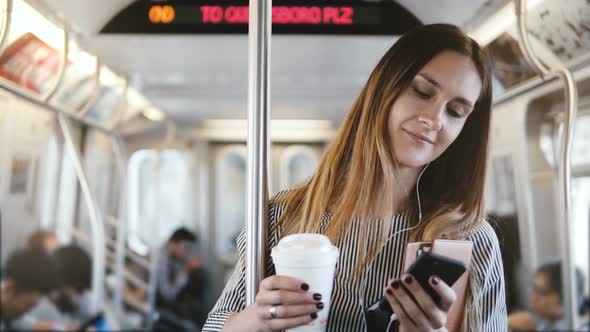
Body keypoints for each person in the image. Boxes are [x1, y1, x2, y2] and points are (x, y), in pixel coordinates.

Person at [203, 23, 507, 332]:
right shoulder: (281, 217)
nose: (434, 119)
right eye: (422, 92)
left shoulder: (470, 239)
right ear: (384, 89)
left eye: (455, 112)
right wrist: (257, 318)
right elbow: (215, 327)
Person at [508, 262, 588, 331]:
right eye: (533, 288)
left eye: (540, 291)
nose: (533, 296)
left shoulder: (580, 327)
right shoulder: (544, 321)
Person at [157, 227, 208, 328]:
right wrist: (187, 270)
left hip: (163, 305)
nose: (186, 252)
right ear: (172, 243)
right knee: (190, 327)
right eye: (185, 247)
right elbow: (168, 295)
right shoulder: (161, 259)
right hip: (158, 308)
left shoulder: (168, 256)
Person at [0, 248, 60, 330]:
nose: (28, 312)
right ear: (9, 288)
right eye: (27, 305)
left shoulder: (9, 314)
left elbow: (23, 322)